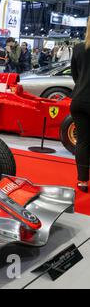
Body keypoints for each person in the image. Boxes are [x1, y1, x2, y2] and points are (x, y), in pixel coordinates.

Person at [69, 19, 90, 192]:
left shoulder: (78, 48)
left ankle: (83, 181)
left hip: (79, 100)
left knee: (82, 141)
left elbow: (74, 75)